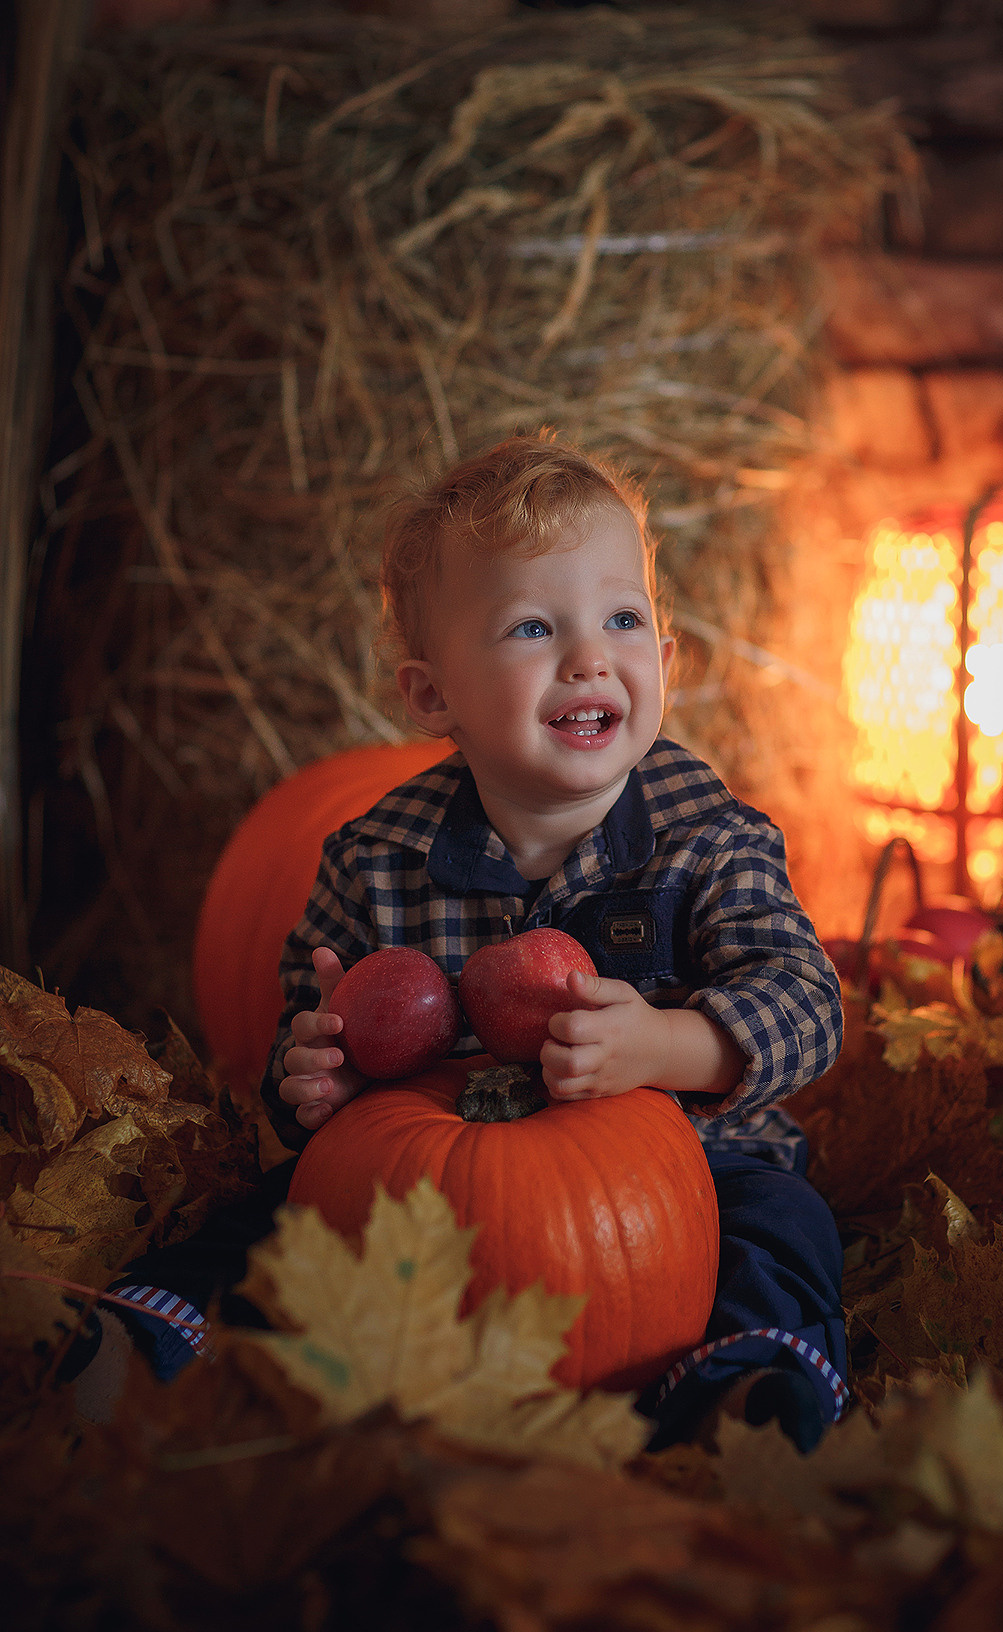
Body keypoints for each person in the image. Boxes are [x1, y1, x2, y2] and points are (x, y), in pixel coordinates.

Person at [75, 433, 848, 1451]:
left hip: (685, 1185)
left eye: (622, 618)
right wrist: (315, 1078)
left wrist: (669, 1046)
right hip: (427, 1196)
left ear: (661, 664)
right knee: (271, 1218)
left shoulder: (712, 838)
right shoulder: (375, 855)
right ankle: (147, 1342)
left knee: (785, 1228)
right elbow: (302, 1034)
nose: (588, 656)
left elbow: (806, 1000)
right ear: (432, 694)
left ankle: (745, 1386)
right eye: (533, 626)